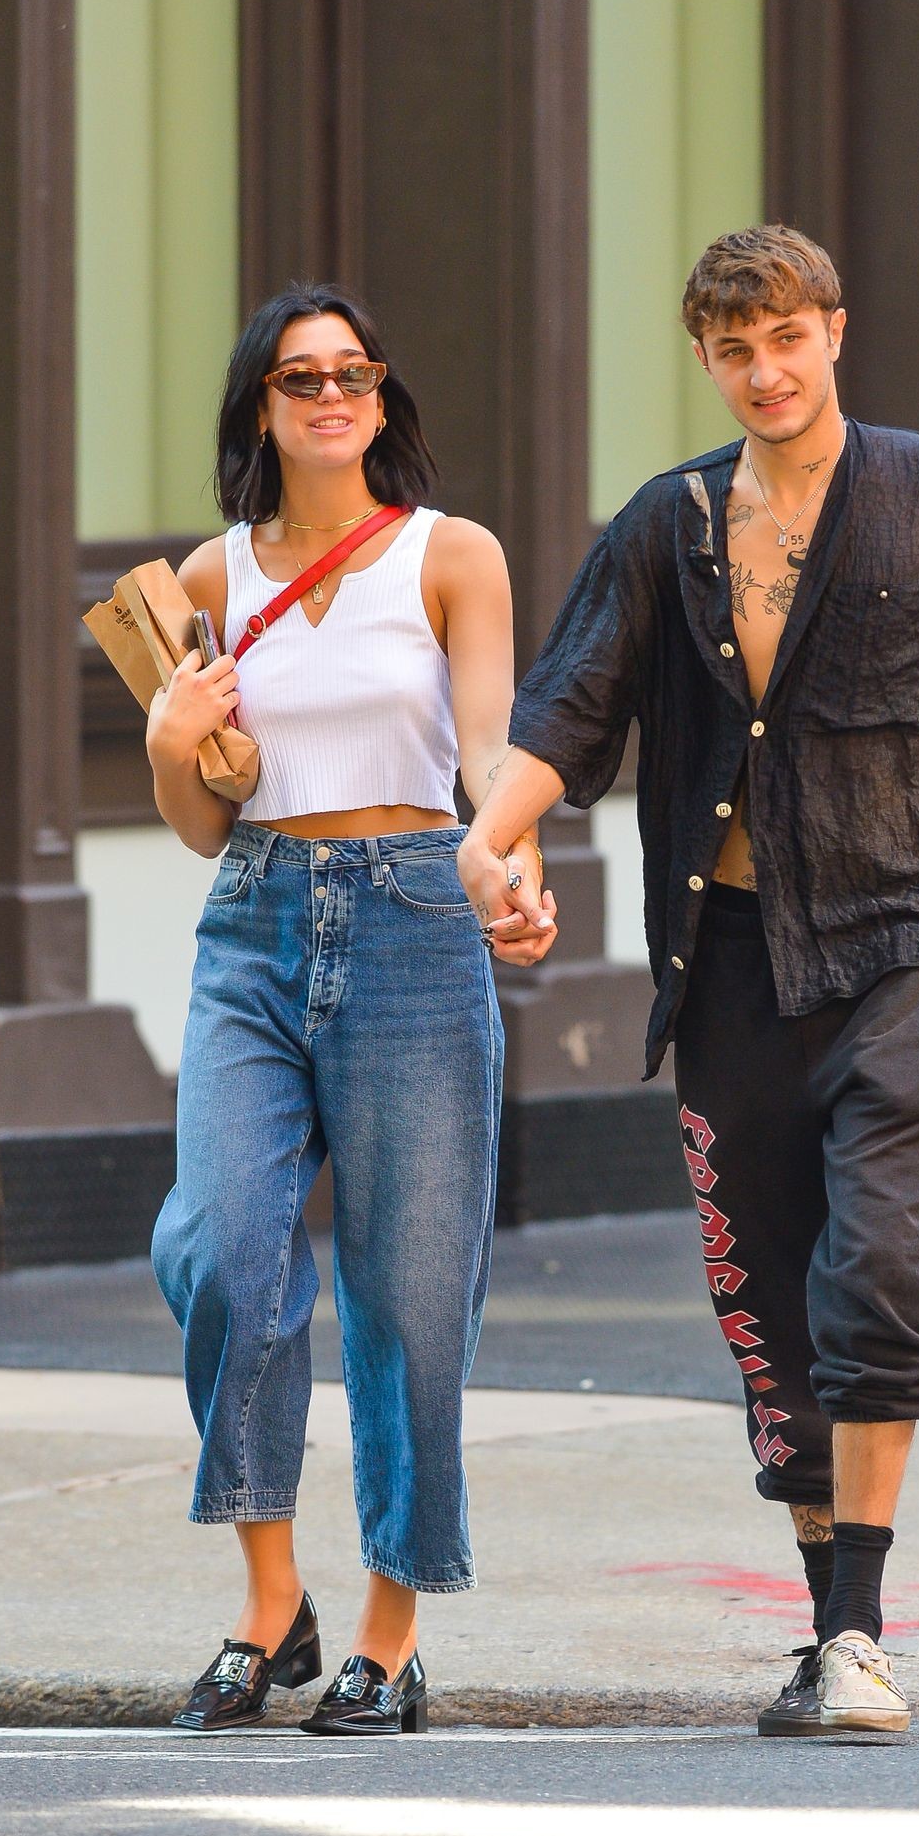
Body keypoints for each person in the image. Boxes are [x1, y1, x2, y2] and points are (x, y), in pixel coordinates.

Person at [457, 225, 919, 1736]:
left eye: (786, 339)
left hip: (903, 942)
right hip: (730, 962)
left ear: (834, 331)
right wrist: (486, 846)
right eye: (733, 349)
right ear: (704, 359)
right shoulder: (665, 523)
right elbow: (566, 713)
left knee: (875, 1268)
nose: (764, 372)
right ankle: (829, 1621)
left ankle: (861, 1633)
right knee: (763, 1292)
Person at [148, 283, 555, 1736]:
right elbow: (201, 822)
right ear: (259, 406)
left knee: (411, 1291)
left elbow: (491, 751)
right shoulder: (207, 580)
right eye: (299, 376)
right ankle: (273, 1604)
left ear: (382, 400)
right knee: (221, 1250)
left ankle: (394, 1627)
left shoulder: (454, 555)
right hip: (253, 921)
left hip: (414, 921)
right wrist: (168, 742)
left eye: (354, 373)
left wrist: (508, 864)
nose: (331, 395)